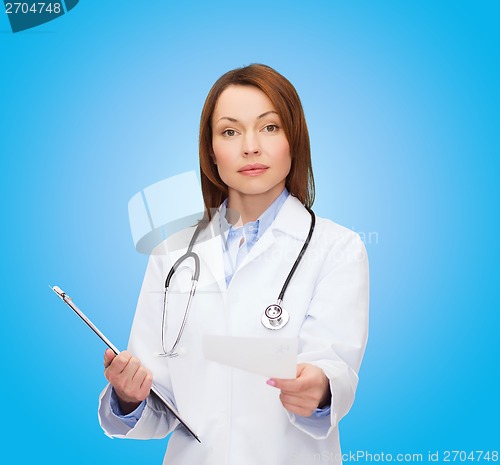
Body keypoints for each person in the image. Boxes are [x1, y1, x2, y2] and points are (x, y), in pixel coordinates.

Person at [98, 64, 369, 465]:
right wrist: (128, 395)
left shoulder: (338, 247)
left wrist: (321, 389)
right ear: (211, 150)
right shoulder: (171, 253)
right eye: (230, 131)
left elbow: (336, 369)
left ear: (294, 139)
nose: (250, 147)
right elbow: (160, 403)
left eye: (269, 127)